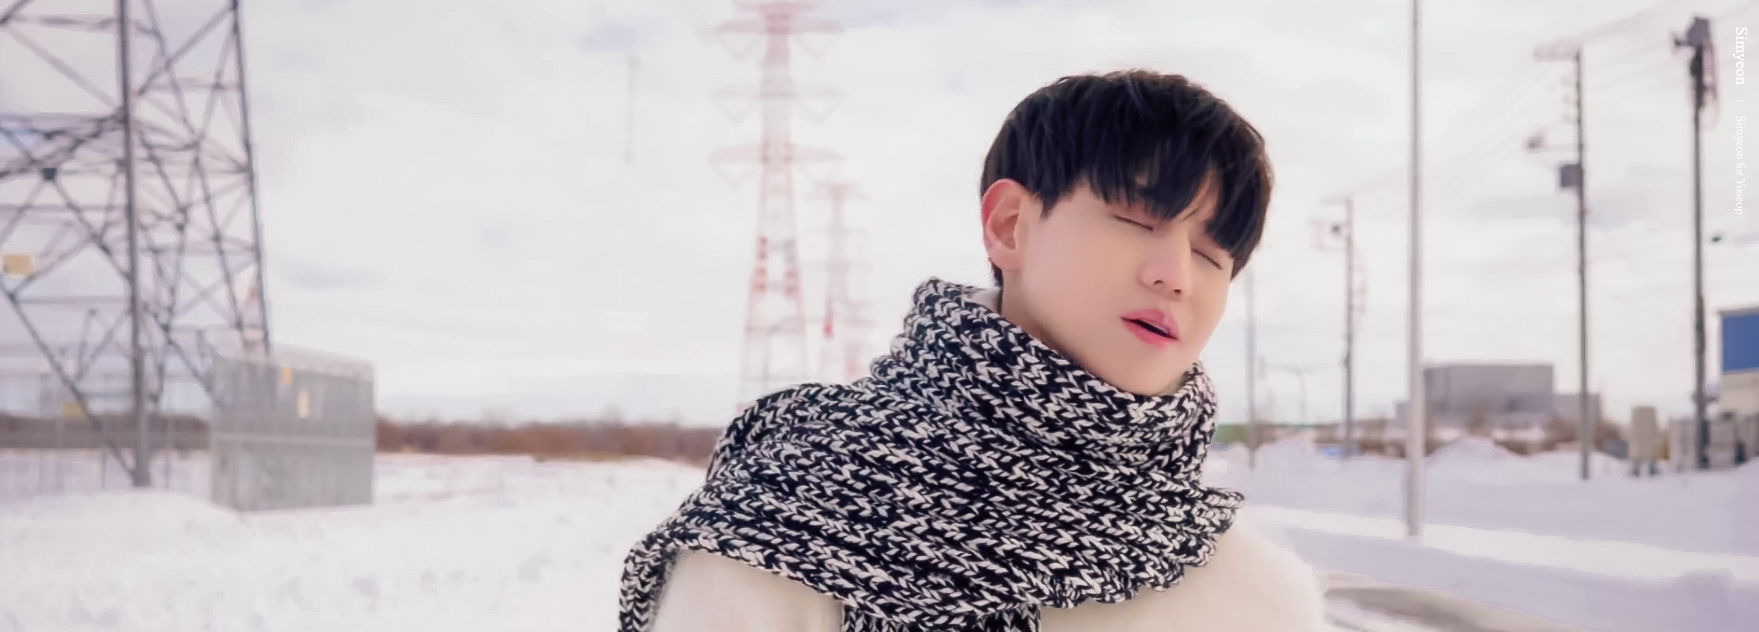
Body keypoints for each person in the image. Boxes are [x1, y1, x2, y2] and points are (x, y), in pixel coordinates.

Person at [616, 69, 1332, 632]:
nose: (1175, 275)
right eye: (1137, 219)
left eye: (1212, 254)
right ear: (1010, 224)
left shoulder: (1254, 598)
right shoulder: (790, 518)